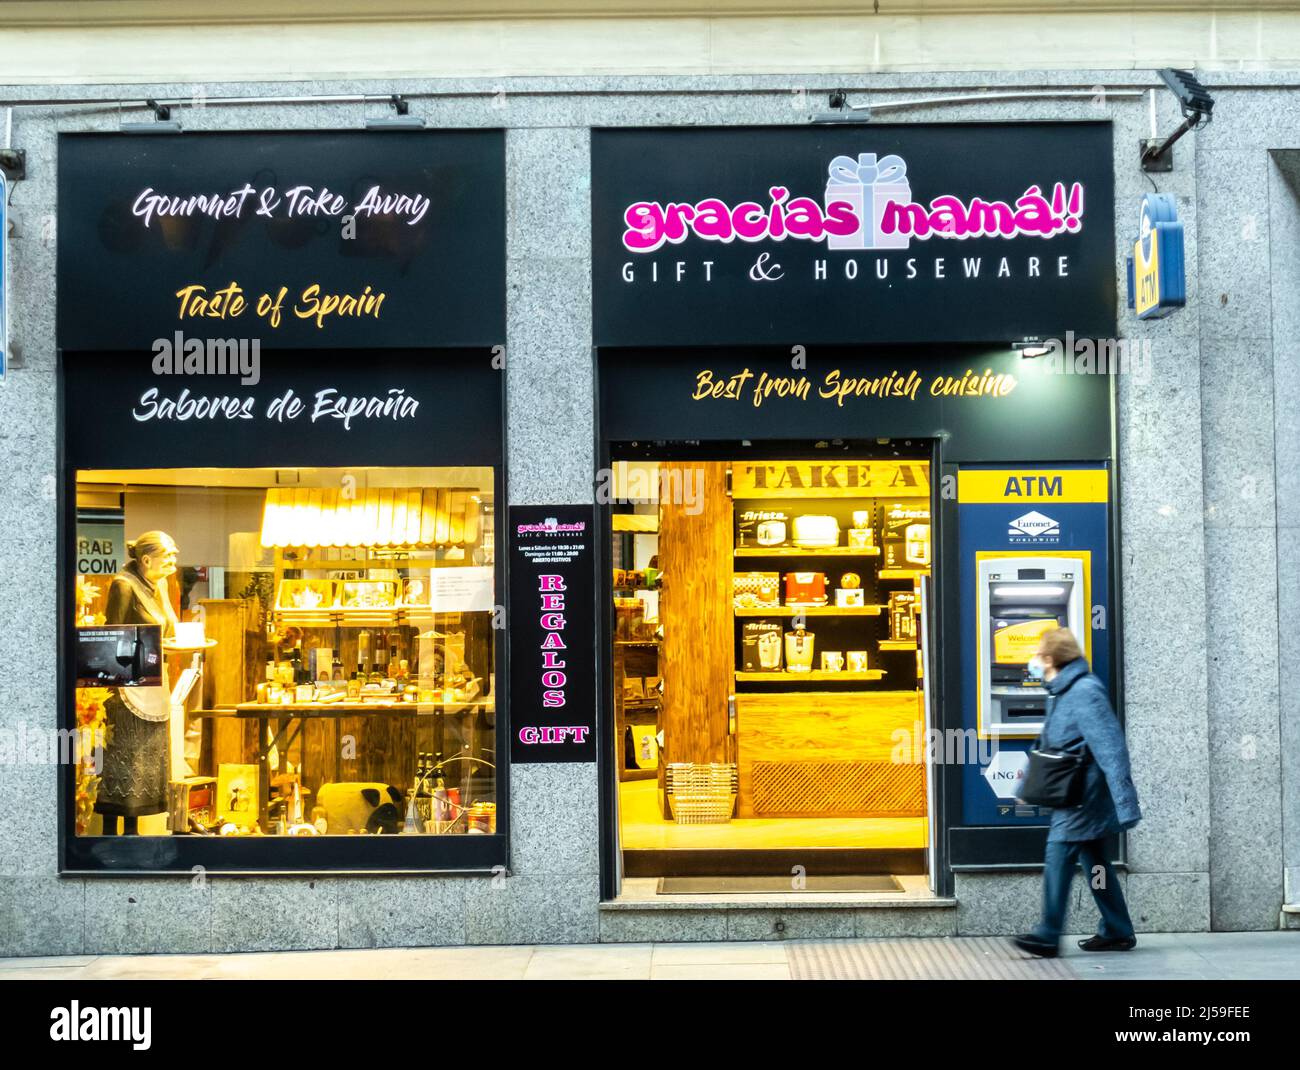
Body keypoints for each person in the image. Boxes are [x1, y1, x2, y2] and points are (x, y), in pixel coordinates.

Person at [1012, 627, 1141, 958]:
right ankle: (1117, 928)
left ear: (1051, 659)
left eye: (1039, 655)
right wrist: (1029, 786)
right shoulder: (1063, 690)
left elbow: (1112, 748)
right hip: (1074, 792)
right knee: (1096, 864)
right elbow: (1051, 743)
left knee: (1058, 857)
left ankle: (1048, 933)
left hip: (1084, 797)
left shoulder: (1084, 692)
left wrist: (1126, 804)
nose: (1034, 661)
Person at [95, 531, 180, 836]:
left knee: (145, 760)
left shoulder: (161, 586)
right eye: (168, 555)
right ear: (146, 559)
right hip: (127, 688)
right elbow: (112, 638)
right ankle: (111, 836)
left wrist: (168, 645)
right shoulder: (123, 585)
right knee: (124, 760)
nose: (174, 560)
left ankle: (132, 833)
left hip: (155, 681)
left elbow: (165, 629)